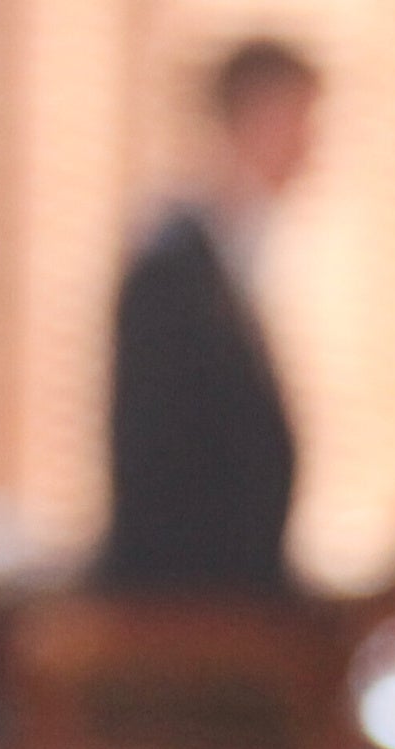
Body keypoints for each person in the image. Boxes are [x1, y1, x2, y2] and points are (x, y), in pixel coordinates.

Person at [96, 37, 322, 597]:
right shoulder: (172, 272)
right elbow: (159, 466)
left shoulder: (232, 259)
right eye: (302, 122)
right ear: (258, 118)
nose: (310, 149)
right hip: (188, 607)